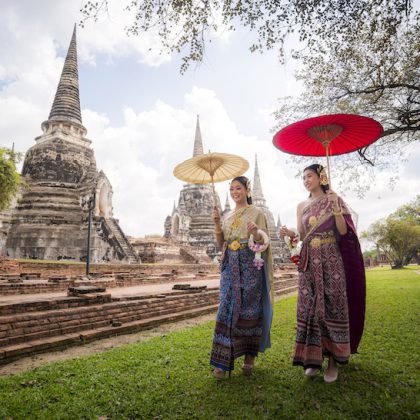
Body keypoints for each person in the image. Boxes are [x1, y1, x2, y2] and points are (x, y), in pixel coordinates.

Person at [280, 164, 365, 383]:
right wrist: (289, 233)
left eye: (309, 176)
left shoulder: (334, 199)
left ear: (321, 177)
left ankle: (334, 361)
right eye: (303, 177)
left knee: (333, 305)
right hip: (309, 261)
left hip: (331, 258)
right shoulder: (302, 205)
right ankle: (313, 358)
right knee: (309, 307)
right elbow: (301, 236)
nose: (306, 180)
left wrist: (336, 209)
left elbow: (344, 231)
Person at [210, 176, 274, 379]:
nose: (234, 191)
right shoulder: (227, 215)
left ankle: (249, 357)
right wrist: (217, 224)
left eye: (238, 188)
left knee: (249, 309)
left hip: (250, 266)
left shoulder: (257, 212)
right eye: (231, 188)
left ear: (247, 190)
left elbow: (263, 241)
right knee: (225, 308)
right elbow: (221, 242)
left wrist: (255, 233)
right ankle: (221, 362)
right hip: (230, 266)